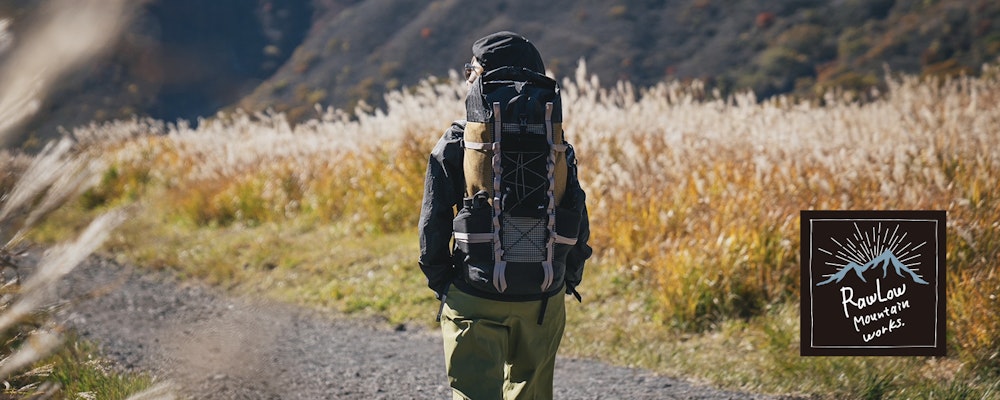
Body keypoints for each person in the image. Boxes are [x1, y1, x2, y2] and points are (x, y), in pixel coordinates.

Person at [418, 31, 592, 400]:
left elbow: (432, 222)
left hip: (474, 290)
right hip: (543, 296)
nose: (467, 76)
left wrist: (444, 284)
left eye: (472, 69)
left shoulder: (457, 141)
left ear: (484, 77)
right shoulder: (557, 145)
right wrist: (565, 279)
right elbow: (575, 210)